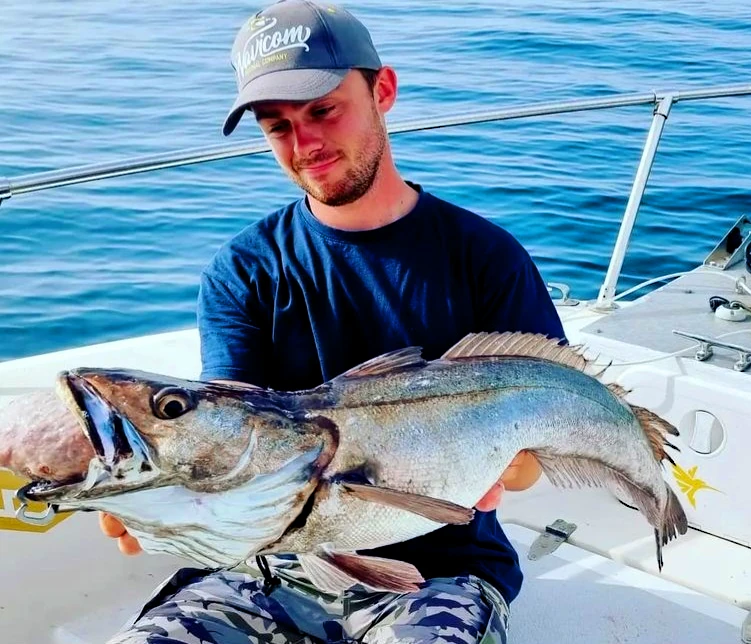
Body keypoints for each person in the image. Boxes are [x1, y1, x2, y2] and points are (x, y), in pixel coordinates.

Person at [100, 1, 566, 642]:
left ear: (384, 89)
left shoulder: (485, 258)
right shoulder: (244, 270)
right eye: (277, 126)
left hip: (445, 571)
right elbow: (234, 431)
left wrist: (511, 464)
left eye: (323, 110)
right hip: (270, 565)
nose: (304, 144)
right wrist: (162, 499)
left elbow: (537, 449)